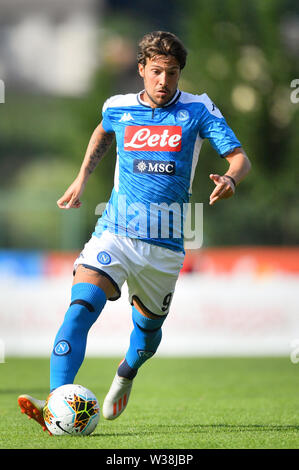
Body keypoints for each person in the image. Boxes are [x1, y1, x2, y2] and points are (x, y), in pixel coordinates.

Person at [18, 30, 251, 432]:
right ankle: (58, 404)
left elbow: (239, 157)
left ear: (180, 74)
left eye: (173, 73)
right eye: (157, 71)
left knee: (146, 334)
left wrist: (231, 179)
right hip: (115, 233)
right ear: (141, 69)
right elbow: (103, 130)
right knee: (79, 309)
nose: (165, 81)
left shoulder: (198, 110)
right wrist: (81, 177)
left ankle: (126, 373)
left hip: (165, 246)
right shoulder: (119, 106)